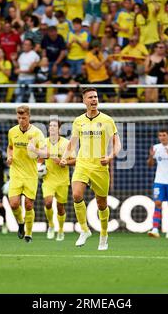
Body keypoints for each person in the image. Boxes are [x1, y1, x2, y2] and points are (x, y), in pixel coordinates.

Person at [60, 88, 122, 250]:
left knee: (102, 204)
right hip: (82, 163)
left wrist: (110, 156)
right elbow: (72, 143)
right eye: (90, 97)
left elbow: (117, 143)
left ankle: (103, 235)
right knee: (76, 194)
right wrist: (65, 156)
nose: (94, 100)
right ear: (84, 101)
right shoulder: (78, 121)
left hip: (100, 166)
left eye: (96, 97)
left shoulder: (107, 120)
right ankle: (85, 230)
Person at [7, 106, 47, 243]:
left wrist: (34, 149)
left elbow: (46, 153)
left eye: (24, 118)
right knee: (13, 204)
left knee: (29, 205)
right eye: (19, 118)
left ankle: (29, 233)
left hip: (31, 174)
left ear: (29, 117)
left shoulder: (37, 133)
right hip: (16, 173)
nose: (21, 120)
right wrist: (9, 157)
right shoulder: (12, 131)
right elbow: (10, 147)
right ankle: (20, 223)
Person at [41, 119, 76, 241]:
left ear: (59, 129)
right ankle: (51, 225)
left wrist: (65, 162)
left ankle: (60, 230)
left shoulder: (66, 143)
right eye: (50, 126)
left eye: (55, 126)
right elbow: (39, 159)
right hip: (48, 179)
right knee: (48, 203)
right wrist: (39, 168)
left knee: (60, 207)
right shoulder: (44, 143)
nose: (52, 128)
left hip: (62, 180)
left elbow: (75, 160)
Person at [11, 39, 40, 103]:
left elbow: (32, 70)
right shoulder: (22, 55)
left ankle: (24, 113)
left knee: (26, 98)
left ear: (31, 46)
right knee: (18, 96)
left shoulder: (34, 55)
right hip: (20, 79)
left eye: (26, 44)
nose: (24, 46)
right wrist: (13, 60)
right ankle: (17, 112)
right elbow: (18, 66)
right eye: (24, 44)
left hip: (30, 79)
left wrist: (20, 71)